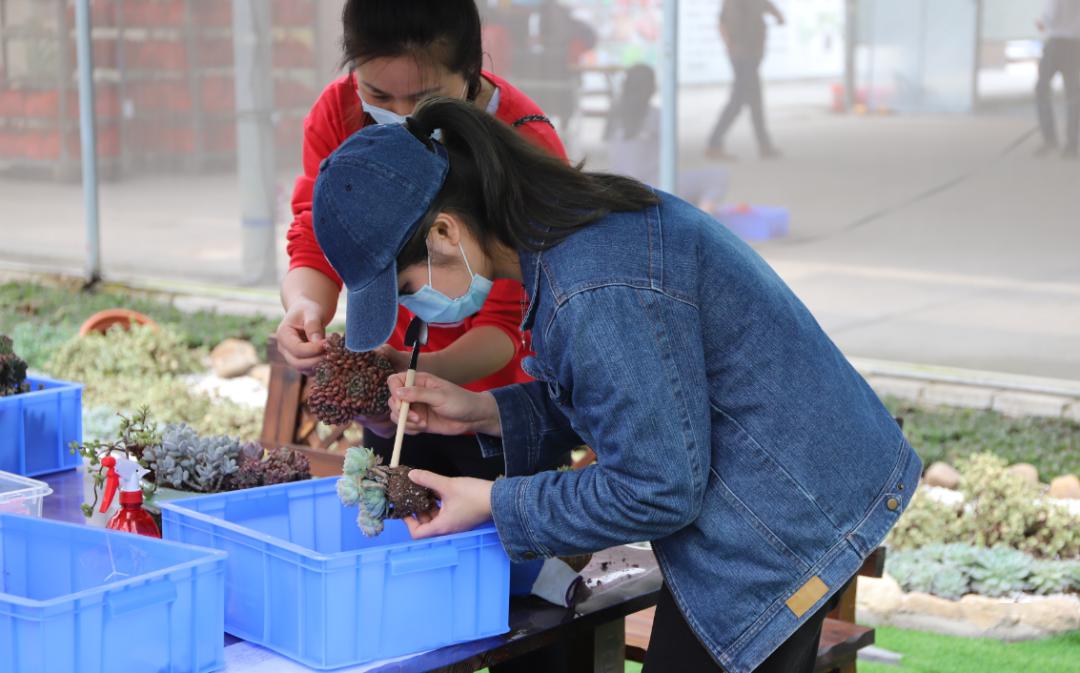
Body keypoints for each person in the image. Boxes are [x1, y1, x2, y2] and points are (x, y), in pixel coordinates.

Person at [310, 97, 923, 673]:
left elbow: (654, 488)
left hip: (783, 510)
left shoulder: (592, 288)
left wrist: (493, 504)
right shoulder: (568, 235)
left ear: (443, 233)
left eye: (407, 285)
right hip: (763, 485)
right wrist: (480, 411)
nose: (416, 307)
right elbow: (633, 398)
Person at [279, 0, 569, 480]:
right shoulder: (339, 111)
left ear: (471, 70)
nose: (400, 115)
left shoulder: (522, 145)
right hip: (400, 400)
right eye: (378, 94)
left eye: (424, 97)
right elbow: (318, 231)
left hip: (498, 407)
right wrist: (304, 307)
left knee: (494, 541)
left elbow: (512, 319)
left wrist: (421, 375)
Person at [606, 63, 730, 214]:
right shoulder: (657, 116)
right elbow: (671, 154)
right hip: (654, 189)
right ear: (652, 88)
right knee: (717, 175)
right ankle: (703, 218)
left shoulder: (614, 116)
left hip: (619, 192)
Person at [707, 0, 784, 160]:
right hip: (743, 55)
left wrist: (778, 16)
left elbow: (766, 6)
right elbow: (729, 23)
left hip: (748, 54)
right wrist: (733, 45)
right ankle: (714, 144)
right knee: (738, 101)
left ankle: (764, 145)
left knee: (754, 100)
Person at [1034, 0, 1080, 158]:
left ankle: (1050, 139)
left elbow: (1050, 17)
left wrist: (1040, 23)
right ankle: (1072, 145)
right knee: (1073, 95)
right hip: (1075, 44)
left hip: (1056, 44)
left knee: (1042, 90)